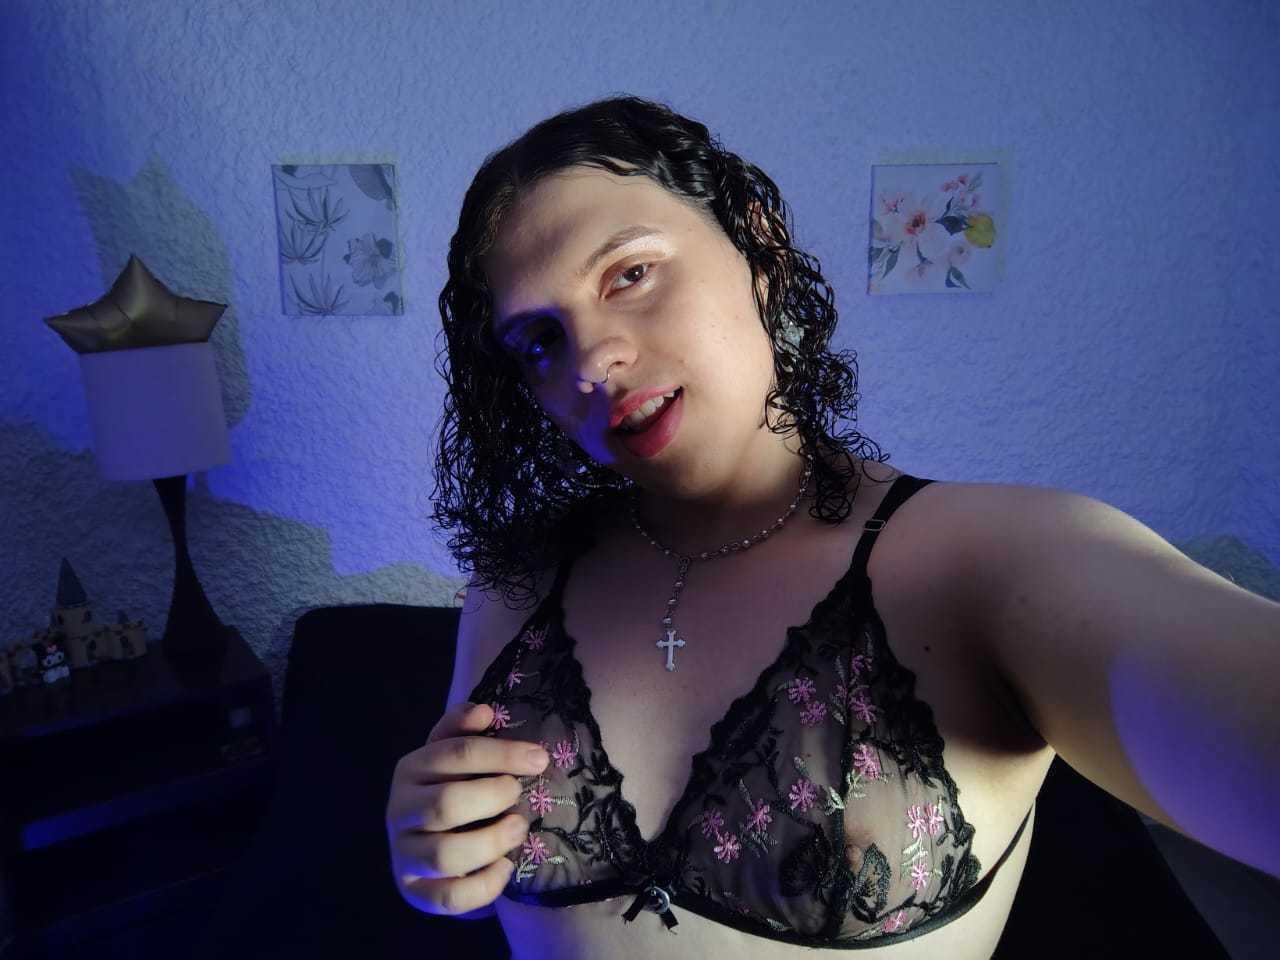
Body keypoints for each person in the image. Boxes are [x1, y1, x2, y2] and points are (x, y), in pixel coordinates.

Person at [385, 95, 1280, 958]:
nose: (593, 360)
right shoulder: (520, 583)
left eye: (630, 274)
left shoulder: (987, 563)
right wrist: (430, 853)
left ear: (758, 246)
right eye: (541, 340)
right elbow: (469, 853)